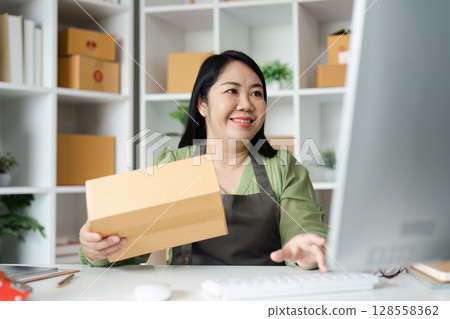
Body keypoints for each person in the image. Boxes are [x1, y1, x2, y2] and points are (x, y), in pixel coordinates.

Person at [79, 50, 329, 272]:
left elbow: (304, 234)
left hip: (259, 299)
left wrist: (306, 252)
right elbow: (127, 250)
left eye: (256, 93)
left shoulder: (286, 169)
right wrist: (98, 248)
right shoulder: (173, 165)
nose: (246, 104)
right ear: (202, 103)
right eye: (232, 91)